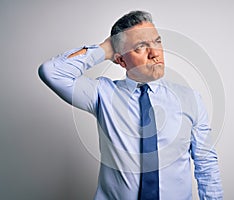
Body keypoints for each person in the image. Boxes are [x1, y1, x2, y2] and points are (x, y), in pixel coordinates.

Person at [38, 10, 223, 200]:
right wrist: (106, 48)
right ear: (120, 59)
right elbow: (51, 72)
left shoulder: (191, 99)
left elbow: (206, 164)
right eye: (141, 46)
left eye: (157, 42)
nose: (155, 53)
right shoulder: (102, 94)